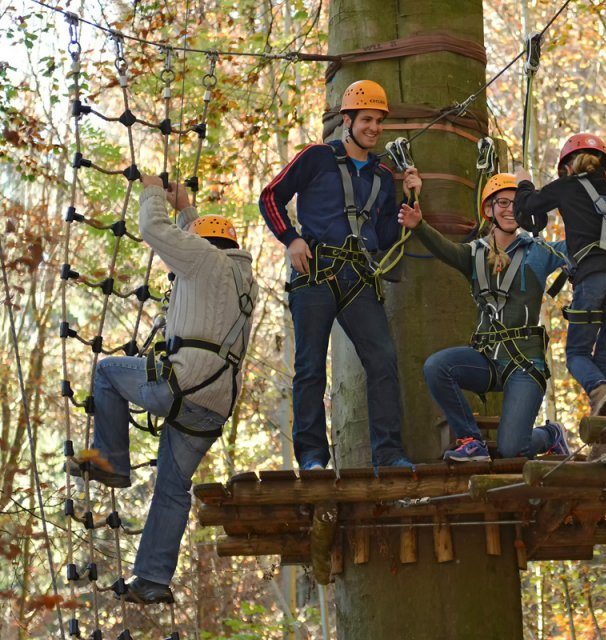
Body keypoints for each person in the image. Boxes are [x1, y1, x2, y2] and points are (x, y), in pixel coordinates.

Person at [66, 176, 259, 604]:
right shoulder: (246, 281)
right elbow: (200, 244)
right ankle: (153, 579)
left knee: (107, 373)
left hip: (181, 386)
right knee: (173, 487)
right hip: (213, 406)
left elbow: (156, 231)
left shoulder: (203, 260)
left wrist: (153, 192)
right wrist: (188, 209)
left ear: (202, 243)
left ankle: (110, 462)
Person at [259, 80, 420, 471]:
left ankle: (388, 453)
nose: (374, 128)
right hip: (315, 271)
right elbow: (270, 197)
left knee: (383, 360)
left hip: (359, 277)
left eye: (379, 121)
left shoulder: (382, 176)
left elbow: (382, 236)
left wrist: (410, 211)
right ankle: (313, 458)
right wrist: (291, 239)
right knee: (311, 366)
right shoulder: (316, 156)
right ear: (346, 120)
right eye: (367, 119)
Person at [398, 173, 571, 461]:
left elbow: (578, 246)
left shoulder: (539, 252)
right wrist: (419, 226)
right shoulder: (474, 254)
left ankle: (549, 435)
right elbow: (446, 250)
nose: (509, 209)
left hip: (525, 365)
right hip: (487, 360)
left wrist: (595, 216)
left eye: (516, 203)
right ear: (488, 210)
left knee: (512, 449)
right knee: (437, 367)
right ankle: (471, 440)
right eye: (502, 202)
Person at [514, 134, 606, 464]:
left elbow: (526, 211)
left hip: (594, 278)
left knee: (578, 354)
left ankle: (599, 391)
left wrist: (523, 184)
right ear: (603, 165)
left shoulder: (565, 187)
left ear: (567, 167)